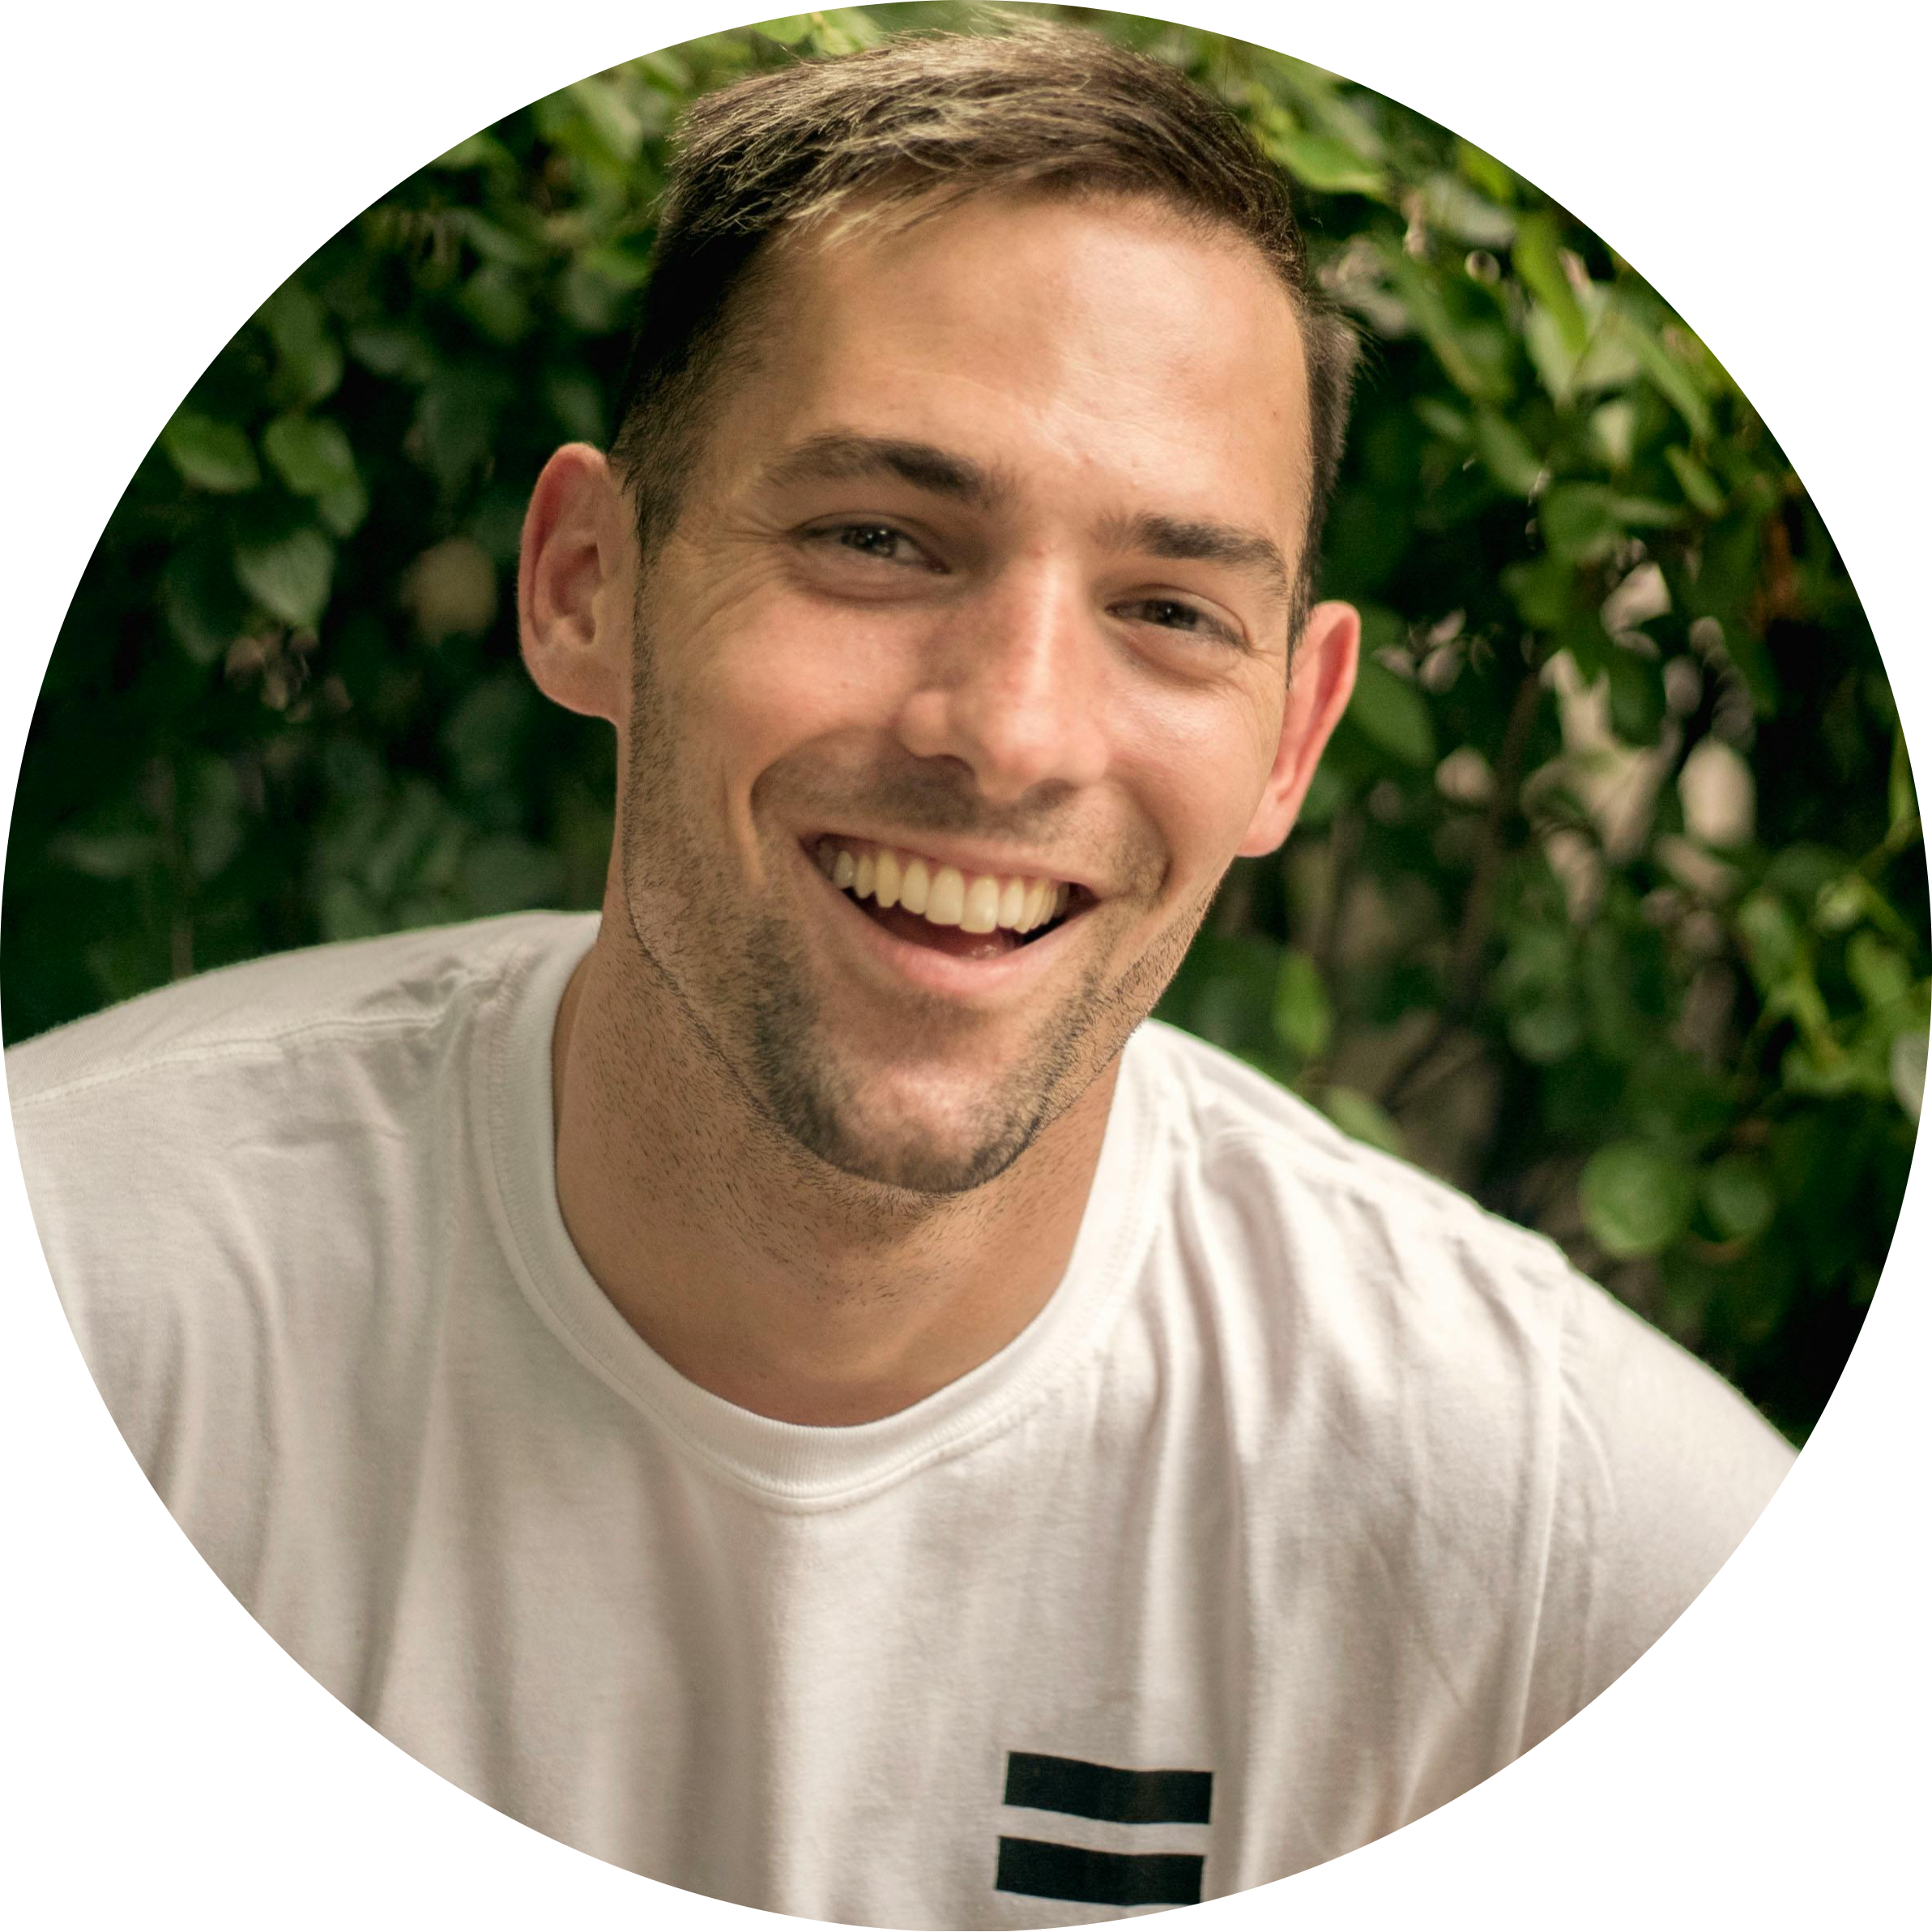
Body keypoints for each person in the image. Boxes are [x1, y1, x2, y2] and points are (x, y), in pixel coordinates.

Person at [9, 21, 1793, 1922]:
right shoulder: (108, 1272)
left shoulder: (1547, 1524)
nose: (1012, 734)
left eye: (1170, 609)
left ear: (1292, 732)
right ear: (589, 581)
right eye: (877, 538)